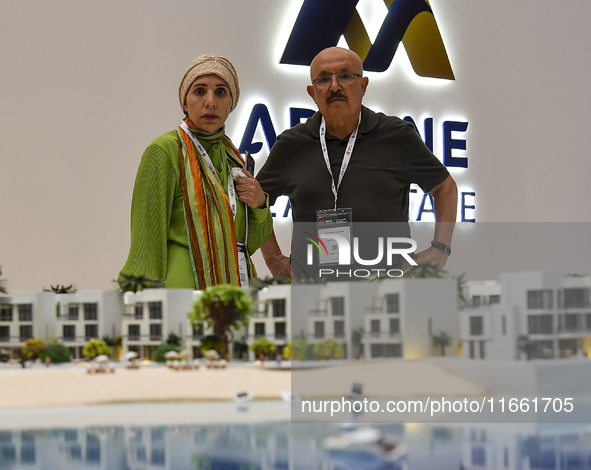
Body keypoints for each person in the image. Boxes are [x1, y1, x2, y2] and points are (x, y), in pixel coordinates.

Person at [257, 47, 457, 279]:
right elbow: (256, 203)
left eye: (345, 76)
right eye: (323, 79)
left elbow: (445, 187)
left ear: (363, 86)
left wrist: (440, 248)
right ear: (312, 93)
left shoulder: (396, 135)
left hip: (386, 295)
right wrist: (273, 258)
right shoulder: (291, 145)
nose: (334, 86)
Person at [119, 55, 273, 290]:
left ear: (232, 102)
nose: (210, 102)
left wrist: (260, 205)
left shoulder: (232, 156)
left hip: (234, 295)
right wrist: (145, 306)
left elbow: (245, 245)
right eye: (200, 91)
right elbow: (146, 241)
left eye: (221, 92)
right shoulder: (165, 149)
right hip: (180, 300)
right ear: (184, 101)